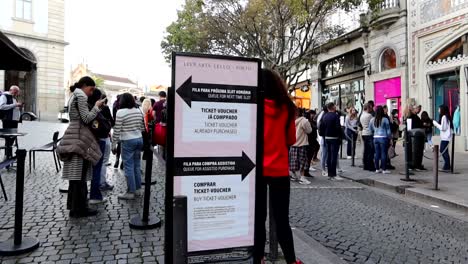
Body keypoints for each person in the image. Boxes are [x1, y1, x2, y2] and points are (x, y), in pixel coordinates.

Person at [255, 69, 302, 264]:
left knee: (258, 218)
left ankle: (258, 258)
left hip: (256, 169)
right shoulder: (287, 108)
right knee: (282, 220)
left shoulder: (254, 105)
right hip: (280, 169)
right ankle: (291, 260)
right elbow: (291, 139)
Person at [58, 76, 104, 217]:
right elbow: (86, 118)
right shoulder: (81, 96)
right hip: (79, 137)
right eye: (91, 89)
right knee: (80, 176)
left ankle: (74, 207)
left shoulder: (74, 95)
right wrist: (96, 107)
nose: (91, 93)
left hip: (74, 134)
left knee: (76, 176)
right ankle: (79, 208)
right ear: (84, 85)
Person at [112, 93, 145, 200]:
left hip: (127, 140)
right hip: (139, 139)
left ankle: (130, 191)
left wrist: (114, 144)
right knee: (136, 165)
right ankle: (138, 189)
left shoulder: (120, 112)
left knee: (128, 167)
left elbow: (117, 129)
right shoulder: (138, 110)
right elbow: (142, 127)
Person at [319, 102, 343, 181]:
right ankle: (333, 174)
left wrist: (323, 135)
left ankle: (330, 173)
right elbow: (338, 127)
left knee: (329, 156)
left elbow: (321, 127)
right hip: (334, 138)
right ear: (332, 107)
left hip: (327, 138)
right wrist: (340, 136)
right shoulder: (335, 116)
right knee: (334, 156)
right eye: (335, 106)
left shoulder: (325, 116)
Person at [289, 109, 312, 184]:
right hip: (302, 143)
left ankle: (293, 175)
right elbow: (309, 131)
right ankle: (302, 177)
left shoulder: (291, 121)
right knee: (302, 161)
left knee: (293, 160)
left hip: (293, 143)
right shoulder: (304, 121)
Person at [0, 85, 23, 158]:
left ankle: (9, 154)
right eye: (15, 91)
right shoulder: (4, 96)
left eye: (17, 92)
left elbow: (14, 107)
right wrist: (15, 104)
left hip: (14, 121)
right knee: (8, 138)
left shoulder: (13, 98)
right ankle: (7, 155)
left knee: (13, 137)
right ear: (11, 90)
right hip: (8, 120)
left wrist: (18, 106)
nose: (16, 93)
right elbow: (2, 106)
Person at [369, 106, 391, 174]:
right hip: (383, 137)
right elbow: (388, 130)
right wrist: (389, 138)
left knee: (376, 154)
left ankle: (377, 169)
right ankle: (384, 169)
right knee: (383, 153)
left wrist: (374, 132)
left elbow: (370, 129)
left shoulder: (372, 119)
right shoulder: (385, 119)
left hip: (375, 138)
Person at [99, 95, 114, 191]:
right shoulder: (105, 108)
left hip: (94, 138)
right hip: (104, 137)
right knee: (103, 161)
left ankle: (97, 182)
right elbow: (112, 122)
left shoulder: (90, 107)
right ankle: (102, 183)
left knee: (97, 162)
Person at [433, 105, 452, 172]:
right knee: (444, 151)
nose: (438, 110)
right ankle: (447, 165)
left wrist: (435, 124)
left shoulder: (444, 117)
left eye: (439, 109)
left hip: (445, 137)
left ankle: (447, 165)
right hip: (446, 137)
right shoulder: (446, 117)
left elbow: (442, 128)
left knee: (443, 151)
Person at [360, 103, 375, 171]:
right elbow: (373, 124)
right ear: (368, 108)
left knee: (366, 150)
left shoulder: (361, 115)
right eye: (370, 108)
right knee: (370, 151)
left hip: (364, 133)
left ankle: (365, 165)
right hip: (369, 133)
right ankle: (370, 166)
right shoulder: (369, 116)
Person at [316, 105, 328, 176]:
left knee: (324, 152)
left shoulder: (321, 114)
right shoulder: (324, 116)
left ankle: (324, 167)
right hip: (325, 136)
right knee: (324, 153)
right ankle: (323, 169)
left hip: (322, 136)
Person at [112, 94, 123, 169]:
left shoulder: (115, 104)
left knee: (119, 144)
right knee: (124, 145)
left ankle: (117, 160)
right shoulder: (125, 105)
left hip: (117, 124)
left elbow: (113, 116)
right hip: (125, 126)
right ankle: (123, 162)